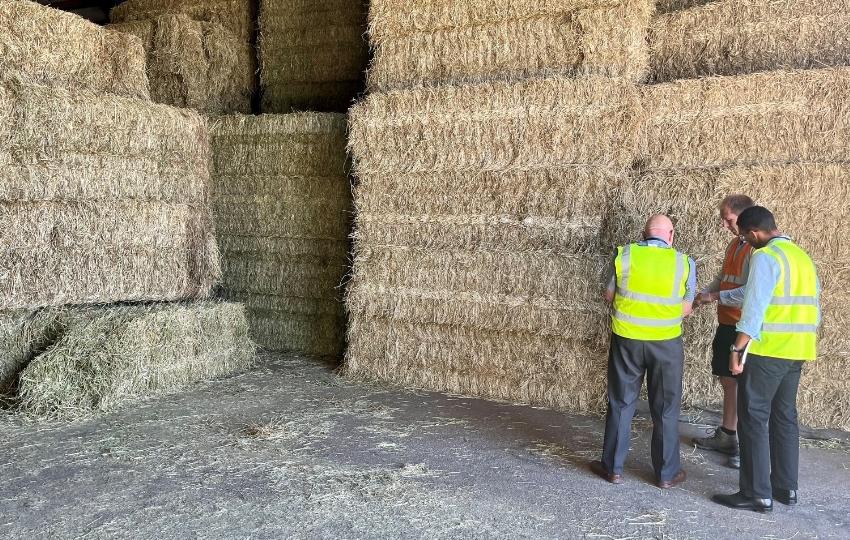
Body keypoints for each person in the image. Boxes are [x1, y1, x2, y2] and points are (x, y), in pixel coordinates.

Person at [712, 206, 820, 513]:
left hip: (768, 349)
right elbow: (816, 308)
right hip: (798, 349)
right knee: (785, 416)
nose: (747, 242)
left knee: (754, 417)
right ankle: (786, 488)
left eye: (746, 237)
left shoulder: (765, 257)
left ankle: (756, 492)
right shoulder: (802, 257)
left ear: (754, 233)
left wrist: (737, 349)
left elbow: (754, 306)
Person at [589, 215, 696, 488]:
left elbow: (609, 295)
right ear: (670, 235)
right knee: (666, 409)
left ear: (643, 233)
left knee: (622, 403)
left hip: (627, 340)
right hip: (666, 342)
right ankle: (666, 474)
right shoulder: (684, 262)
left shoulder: (625, 255)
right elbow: (686, 308)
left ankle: (612, 468)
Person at [692, 195, 754, 469]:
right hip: (727, 322)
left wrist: (715, 296)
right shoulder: (735, 245)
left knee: (745, 385)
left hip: (744, 326)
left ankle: (745, 444)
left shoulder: (756, 249)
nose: (723, 224)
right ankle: (728, 434)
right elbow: (724, 277)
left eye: (727, 219)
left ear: (743, 217)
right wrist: (706, 292)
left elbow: (749, 294)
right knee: (727, 380)